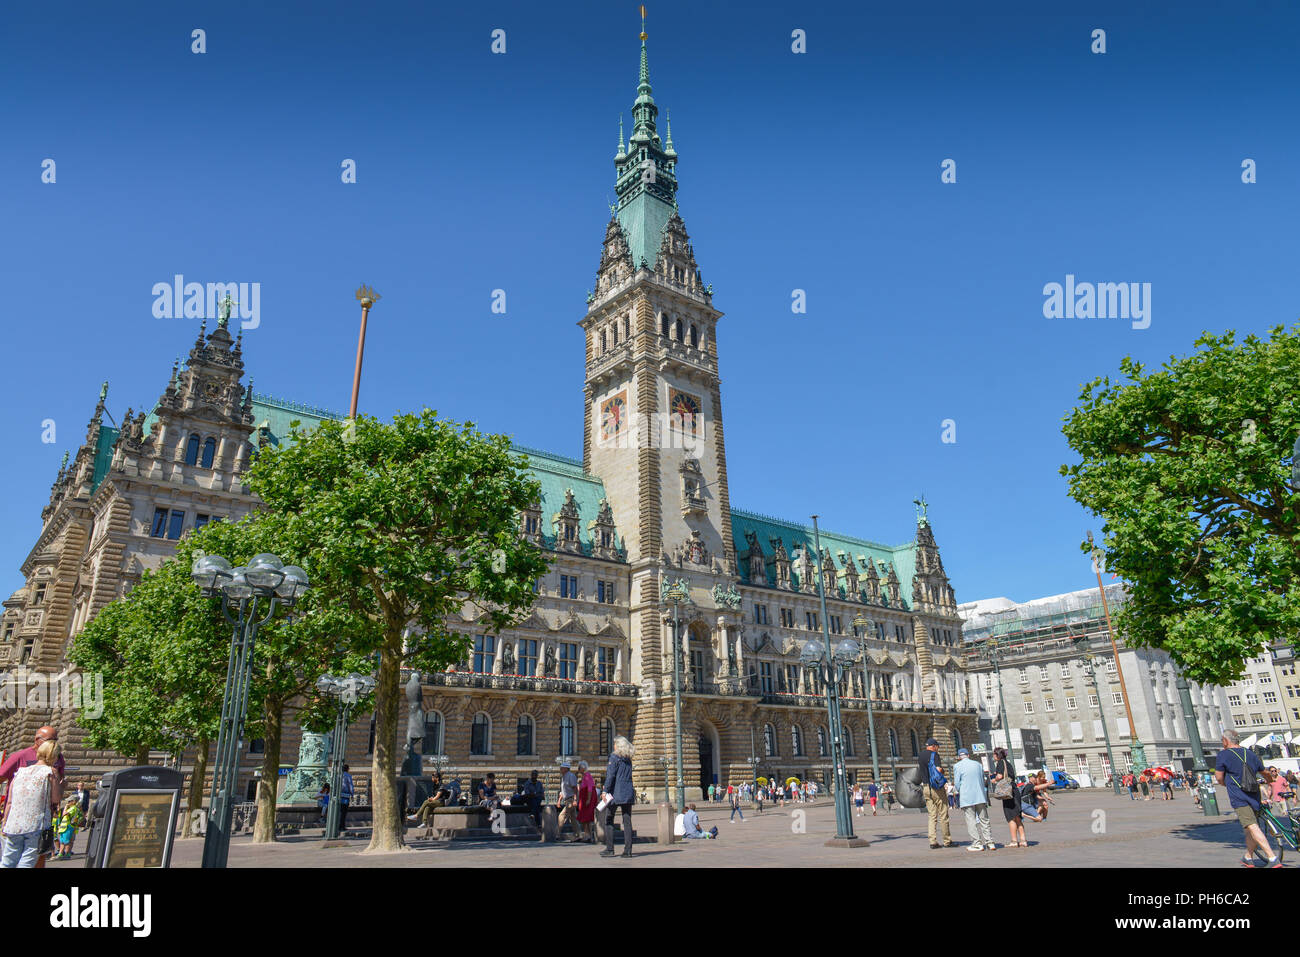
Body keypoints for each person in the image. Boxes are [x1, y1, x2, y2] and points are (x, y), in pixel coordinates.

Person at [1214, 730, 1279, 867]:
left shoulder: (1223, 755)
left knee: (1252, 826)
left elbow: (1219, 777)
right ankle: (1248, 857)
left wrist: (1225, 783)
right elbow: (1265, 772)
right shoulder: (1249, 753)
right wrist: (1269, 781)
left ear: (1225, 741)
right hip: (1254, 794)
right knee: (1249, 828)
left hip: (1239, 797)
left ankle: (1272, 858)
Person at [1, 739, 62, 868]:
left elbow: (10, 801)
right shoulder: (51, 772)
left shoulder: (20, 772)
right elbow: (55, 799)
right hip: (35, 824)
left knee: (8, 861)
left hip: (14, 823)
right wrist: (62, 785)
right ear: (53, 755)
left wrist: (5, 821)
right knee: (27, 861)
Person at [600, 735, 636, 858]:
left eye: (615, 744)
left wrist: (605, 791)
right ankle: (628, 850)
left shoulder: (614, 757)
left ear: (618, 746)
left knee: (609, 820)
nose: (613, 746)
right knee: (627, 821)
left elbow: (610, 776)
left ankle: (610, 849)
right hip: (628, 792)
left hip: (615, 793)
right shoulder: (628, 759)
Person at [954, 747, 994, 851]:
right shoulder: (978, 764)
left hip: (967, 797)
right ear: (968, 755)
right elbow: (982, 779)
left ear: (959, 757)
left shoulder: (957, 766)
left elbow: (957, 783)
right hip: (979, 795)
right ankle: (990, 842)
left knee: (971, 820)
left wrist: (960, 790)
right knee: (984, 819)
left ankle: (977, 843)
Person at [920, 737, 954, 849]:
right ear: (933, 746)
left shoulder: (921, 755)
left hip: (926, 788)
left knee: (932, 815)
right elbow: (938, 769)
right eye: (937, 746)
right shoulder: (934, 755)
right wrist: (943, 771)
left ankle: (932, 841)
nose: (938, 748)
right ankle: (947, 840)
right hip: (936, 788)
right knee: (943, 813)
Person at [992, 748, 1026, 848]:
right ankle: (1023, 840)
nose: (993, 756)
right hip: (1015, 791)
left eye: (994, 754)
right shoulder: (1008, 763)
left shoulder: (1000, 763)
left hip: (1008, 793)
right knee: (1017, 816)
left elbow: (999, 776)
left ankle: (1014, 841)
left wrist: (994, 779)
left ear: (998, 755)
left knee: (1011, 817)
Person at [53, 796, 82, 860]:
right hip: (64, 827)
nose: (68, 802)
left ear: (73, 802)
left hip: (68, 827)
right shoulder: (71, 808)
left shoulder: (73, 808)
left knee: (66, 841)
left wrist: (65, 807)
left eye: (69, 801)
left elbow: (64, 814)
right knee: (62, 841)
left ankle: (67, 854)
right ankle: (60, 853)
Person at [557, 761, 580, 840]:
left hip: (570, 799)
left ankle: (557, 834)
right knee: (573, 819)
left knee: (562, 816)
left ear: (566, 768)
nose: (560, 769)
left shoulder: (571, 776)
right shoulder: (563, 777)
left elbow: (575, 788)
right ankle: (578, 835)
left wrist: (575, 800)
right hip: (567, 799)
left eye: (562, 768)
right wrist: (559, 800)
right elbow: (563, 791)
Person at [576, 760, 598, 843]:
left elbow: (589, 788)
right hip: (584, 798)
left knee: (586, 817)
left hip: (587, 799)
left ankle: (588, 835)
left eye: (579, 767)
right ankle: (587, 834)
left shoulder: (587, 775)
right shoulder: (584, 776)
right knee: (585, 818)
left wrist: (588, 799)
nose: (578, 769)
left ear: (583, 768)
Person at [339, 764, 354, 831]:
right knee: (344, 812)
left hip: (337, 796)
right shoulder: (348, 776)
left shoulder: (338, 775)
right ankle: (342, 826)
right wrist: (352, 794)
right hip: (345, 796)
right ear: (347, 769)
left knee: (338, 812)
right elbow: (350, 786)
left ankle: (337, 825)